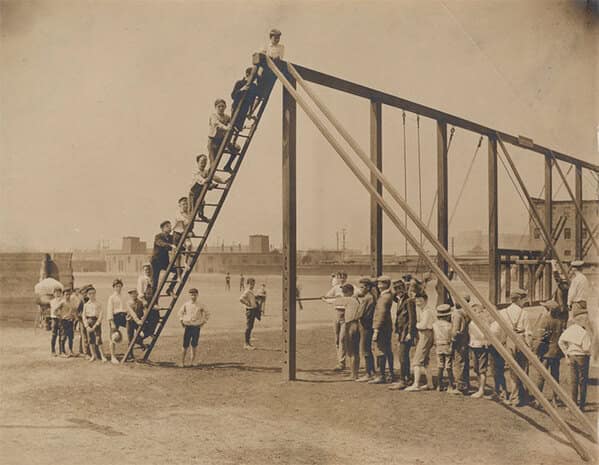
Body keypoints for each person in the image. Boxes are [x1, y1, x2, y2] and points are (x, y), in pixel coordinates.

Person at [530, 300, 565, 407]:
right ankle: (555, 399)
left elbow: (541, 338)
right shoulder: (560, 321)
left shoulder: (545, 320)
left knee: (541, 376)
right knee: (555, 376)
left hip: (546, 353)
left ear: (548, 310)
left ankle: (538, 399)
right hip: (556, 353)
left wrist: (535, 351)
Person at [558, 308, 592, 411]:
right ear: (581, 320)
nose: (587, 321)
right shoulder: (584, 332)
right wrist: (589, 352)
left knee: (573, 381)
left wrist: (566, 353)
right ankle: (581, 405)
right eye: (585, 319)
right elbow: (586, 348)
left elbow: (560, 342)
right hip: (582, 357)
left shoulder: (569, 330)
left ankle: (573, 404)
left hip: (572, 356)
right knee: (583, 381)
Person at [500, 288, 529, 407]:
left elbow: (501, 330)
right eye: (524, 299)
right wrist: (529, 346)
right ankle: (521, 396)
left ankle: (515, 396)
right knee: (523, 369)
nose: (525, 302)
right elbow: (528, 332)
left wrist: (503, 342)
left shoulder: (503, 312)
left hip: (509, 340)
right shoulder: (524, 313)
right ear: (519, 299)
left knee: (512, 369)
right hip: (521, 339)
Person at [389, 279, 417, 390]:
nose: (398, 291)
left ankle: (403, 380)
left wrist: (410, 333)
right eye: (396, 289)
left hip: (406, 333)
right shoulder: (399, 300)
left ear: (404, 288)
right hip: (401, 332)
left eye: (400, 288)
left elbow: (412, 319)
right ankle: (407, 378)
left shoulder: (408, 301)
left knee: (402, 356)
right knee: (403, 356)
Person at [405, 292, 435, 391]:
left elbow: (423, 325)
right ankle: (430, 384)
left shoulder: (427, 312)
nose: (418, 303)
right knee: (425, 361)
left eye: (420, 301)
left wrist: (416, 324)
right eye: (417, 301)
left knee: (416, 361)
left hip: (426, 334)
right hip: (424, 334)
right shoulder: (423, 310)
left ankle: (416, 384)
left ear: (426, 300)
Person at [369, 276, 395, 384]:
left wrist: (376, 330)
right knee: (387, 350)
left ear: (385, 284)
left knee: (380, 351)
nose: (379, 286)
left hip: (381, 328)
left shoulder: (384, 297)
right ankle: (390, 373)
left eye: (381, 283)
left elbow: (381, 314)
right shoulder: (388, 295)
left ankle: (381, 375)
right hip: (386, 327)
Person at [189, 154, 228, 218]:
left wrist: (223, 181)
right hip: (193, 192)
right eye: (202, 162)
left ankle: (201, 215)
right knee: (192, 209)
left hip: (201, 190)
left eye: (205, 162)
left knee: (202, 202)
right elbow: (199, 179)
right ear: (198, 162)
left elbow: (214, 177)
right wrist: (206, 181)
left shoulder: (206, 171)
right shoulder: (196, 172)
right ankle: (191, 219)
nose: (203, 164)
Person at [178, 288, 210, 367]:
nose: (193, 296)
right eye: (192, 295)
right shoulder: (186, 304)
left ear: (197, 295)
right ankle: (182, 362)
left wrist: (203, 322)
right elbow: (180, 313)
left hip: (196, 327)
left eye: (195, 295)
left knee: (194, 344)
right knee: (185, 345)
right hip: (188, 327)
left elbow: (207, 313)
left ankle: (192, 362)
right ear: (189, 295)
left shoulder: (200, 305)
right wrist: (181, 321)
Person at [207, 99, 240, 172]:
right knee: (213, 164)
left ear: (225, 107)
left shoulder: (227, 117)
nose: (221, 108)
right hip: (213, 142)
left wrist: (243, 127)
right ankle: (209, 177)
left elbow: (233, 124)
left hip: (222, 141)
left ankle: (228, 165)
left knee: (236, 149)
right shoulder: (213, 116)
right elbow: (216, 124)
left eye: (222, 106)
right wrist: (226, 128)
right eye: (219, 106)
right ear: (215, 107)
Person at [324, 273, 348, 371]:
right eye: (339, 277)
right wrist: (330, 300)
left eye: (343, 277)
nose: (341, 279)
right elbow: (326, 297)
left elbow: (358, 294)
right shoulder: (335, 288)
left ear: (346, 278)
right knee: (337, 339)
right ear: (337, 279)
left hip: (346, 315)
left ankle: (342, 363)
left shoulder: (350, 287)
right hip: (336, 314)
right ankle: (340, 361)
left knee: (342, 339)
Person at [355, 278, 376, 382]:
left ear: (368, 287)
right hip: (368, 325)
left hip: (365, 326)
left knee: (365, 350)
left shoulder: (367, 298)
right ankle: (371, 372)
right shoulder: (370, 297)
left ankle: (369, 373)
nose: (360, 289)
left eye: (362, 287)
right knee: (367, 349)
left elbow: (359, 314)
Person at [432, 304, 455, 393]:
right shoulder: (449, 325)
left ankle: (439, 385)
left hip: (438, 345)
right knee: (449, 366)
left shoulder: (434, 325)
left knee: (440, 365)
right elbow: (451, 337)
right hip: (447, 345)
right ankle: (450, 385)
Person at [150, 221, 177, 297]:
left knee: (179, 271)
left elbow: (177, 244)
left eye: (170, 226)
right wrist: (170, 245)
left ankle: (170, 289)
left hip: (165, 262)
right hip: (156, 262)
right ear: (162, 228)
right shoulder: (158, 236)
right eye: (167, 226)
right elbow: (160, 243)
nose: (170, 228)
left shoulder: (171, 237)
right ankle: (153, 300)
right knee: (155, 282)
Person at [451, 295, 471, 394]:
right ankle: (465, 384)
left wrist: (452, 339)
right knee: (464, 362)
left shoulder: (457, 314)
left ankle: (460, 386)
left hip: (458, 341)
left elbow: (455, 330)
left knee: (458, 363)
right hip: (466, 340)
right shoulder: (468, 313)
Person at [468, 304, 490, 399]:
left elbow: (484, 335)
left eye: (476, 311)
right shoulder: (472, 322)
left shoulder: (483, 322)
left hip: (481, 346)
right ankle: (479, 388)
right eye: (473, 311)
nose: (475, 313)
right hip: (474, 346)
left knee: (482, 370)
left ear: (481, 312)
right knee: (476, 369)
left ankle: (481, 390)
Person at [82, 287, 107, 362]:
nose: (92, 295)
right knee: (90, 340)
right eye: (90, 294)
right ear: (87, 295)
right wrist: (86, 326)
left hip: (96, 322)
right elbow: (83, 316)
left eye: (93, 293)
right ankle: (93, 355)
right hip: (89, 322)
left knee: (98, 339)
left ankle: (102, 356)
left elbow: (101, 315)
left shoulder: (98, 304)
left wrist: (96, 324)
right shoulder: (86, 305)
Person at [231, 67, 258, 131]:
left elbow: (253, 99)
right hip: (236, 106)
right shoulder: (239, 83)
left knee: (239, 127)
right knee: (233, 125)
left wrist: (250, 111)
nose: (255, 78)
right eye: (253, 76)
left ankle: (243, 127)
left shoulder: (254, 86)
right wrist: (241, 90)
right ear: (247, 74)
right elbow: (233, 96)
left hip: (245, 107)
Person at [106, 278, 127, 364]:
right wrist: (112, 322)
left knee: (131, 329)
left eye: (120, 286)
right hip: (114, 318)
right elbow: (109, 311)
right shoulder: (111, 297)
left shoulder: (123, 296)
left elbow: (126, 308)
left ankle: (130, 353)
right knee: (113, 337)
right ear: (114, 287)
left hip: (123, 316)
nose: (118, 288)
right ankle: (113, 356)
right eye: (116, 286)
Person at [173, 196, 193, 274]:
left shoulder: (189, 214)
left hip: (185, 234)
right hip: (177, 234)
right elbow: (181, 225)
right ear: (180, 205)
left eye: (186, 204)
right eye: (183, 204)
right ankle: (178, 275)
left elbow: (190, 225)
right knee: (178, 255)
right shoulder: (177, 214)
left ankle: (185, 263)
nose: (185, 205)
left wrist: (191, 231)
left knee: (189, 245)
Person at [125, 289, 145, 361]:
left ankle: (141, 343)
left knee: (141, 334)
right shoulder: (128, 303)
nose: (133, 295)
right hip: (130, 321)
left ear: (137, 294)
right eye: (131, 294)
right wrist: (137, 320)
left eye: (134, 293)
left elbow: (144, 311)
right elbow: (132, 313)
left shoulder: (140, 302)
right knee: (130, 338)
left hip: (138, 321)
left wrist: (142, 318)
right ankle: (130, 355)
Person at [240, 278, 259, 350]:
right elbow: (241, 299)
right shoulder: (247, 291)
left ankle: (248, 343)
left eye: (253, 284)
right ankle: (246, 344)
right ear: (247, 284)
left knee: (251, 326)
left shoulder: (251, 291)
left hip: (253, 310)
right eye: (251, 284)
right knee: (249, 326)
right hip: (250, 311)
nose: (252, 285)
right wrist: (247, 303)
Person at [59, 287, 78, 357]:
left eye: (69, 294)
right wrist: (62, 316)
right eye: (66, 294)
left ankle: (71, 350)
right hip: (64, 321)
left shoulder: (71, 302)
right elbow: (55, 310)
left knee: (71, 337)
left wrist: (74, 317)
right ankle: (62, 352)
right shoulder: (62, 302)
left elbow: (74, 310)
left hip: (70, 321)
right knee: (64, 336)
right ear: (63, 295)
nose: (68, 296)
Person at [49, 286, 65, 356]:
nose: (57, 294)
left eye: (59, 293)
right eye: (56, 293)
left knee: (62, 335)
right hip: (54, 319)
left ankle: (61, 351)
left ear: (61, 293)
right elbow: (55, 309)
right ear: (54, 294)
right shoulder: (52, 301)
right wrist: (60, 304)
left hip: (61, 319)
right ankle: (53, 351)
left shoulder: (63, 300)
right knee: (54, 335)